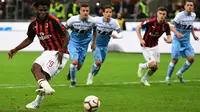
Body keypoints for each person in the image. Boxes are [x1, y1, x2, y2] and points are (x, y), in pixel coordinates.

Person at [8, 0, 70, 109]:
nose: (43, 12)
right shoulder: (33, 24)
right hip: (47, 51)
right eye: (41, 10)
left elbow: (66, 35)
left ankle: (39, 98)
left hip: (59, 52)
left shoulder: (53, 21)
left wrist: (61, 50)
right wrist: (15, 49)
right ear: (36, 9)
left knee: (44, 75)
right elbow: (29, 39)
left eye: (45, 10)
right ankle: (45, 90)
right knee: (34, 68)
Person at [136, 7, 177, 86]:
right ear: (157, 14)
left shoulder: (166, 25)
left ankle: (144, 79)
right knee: (153, 64)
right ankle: (142, 66)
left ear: (166, 15)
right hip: (146, 46)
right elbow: (138, 27)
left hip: (155, 46)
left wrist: (168, 40)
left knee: (155, 67)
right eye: (160, 14)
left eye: (163, 14)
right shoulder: (151, 22)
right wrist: (141, 39)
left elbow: (169, 37)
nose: (161, 15)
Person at [86, 5, 123, 85]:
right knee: (98, 62)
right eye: (106, 12)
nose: (108, 14)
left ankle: (93, 72)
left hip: (104, 46)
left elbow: (121, 33)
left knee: (100, 63)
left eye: (110, 12)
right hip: (95, 44)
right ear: (103, 13)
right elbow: (86, 18)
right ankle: (90, 75)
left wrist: (116, 36)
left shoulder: (114, 22)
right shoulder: (96, 20)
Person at [165, 0, 199, 85]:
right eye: (188, 5)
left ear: (193, 7)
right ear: (184, 7)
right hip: (177, 40)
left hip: (186, 42)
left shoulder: (193, 15)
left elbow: (190, 26)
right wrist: (177, 33)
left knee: (191, 59)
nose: (189, 7)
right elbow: (171, 26)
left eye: (191, 5)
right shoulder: (179, 15)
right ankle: (168, 77)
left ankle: (179, 73)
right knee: (175, 60)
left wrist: (194, 35)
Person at [65, 4, 96, 87]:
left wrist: (93, 43)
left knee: (78, 67)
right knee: (74, 62)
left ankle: (70, 72)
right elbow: (64, 29)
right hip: (73, 42)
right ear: (80, 11)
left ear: (89, 11)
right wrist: (64, 40)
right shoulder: (73, 19)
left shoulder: (92, 21)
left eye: (87, 11)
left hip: (84, 44)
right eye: (83, 11)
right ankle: (73, 82)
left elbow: (95, 31)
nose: (85, 12)